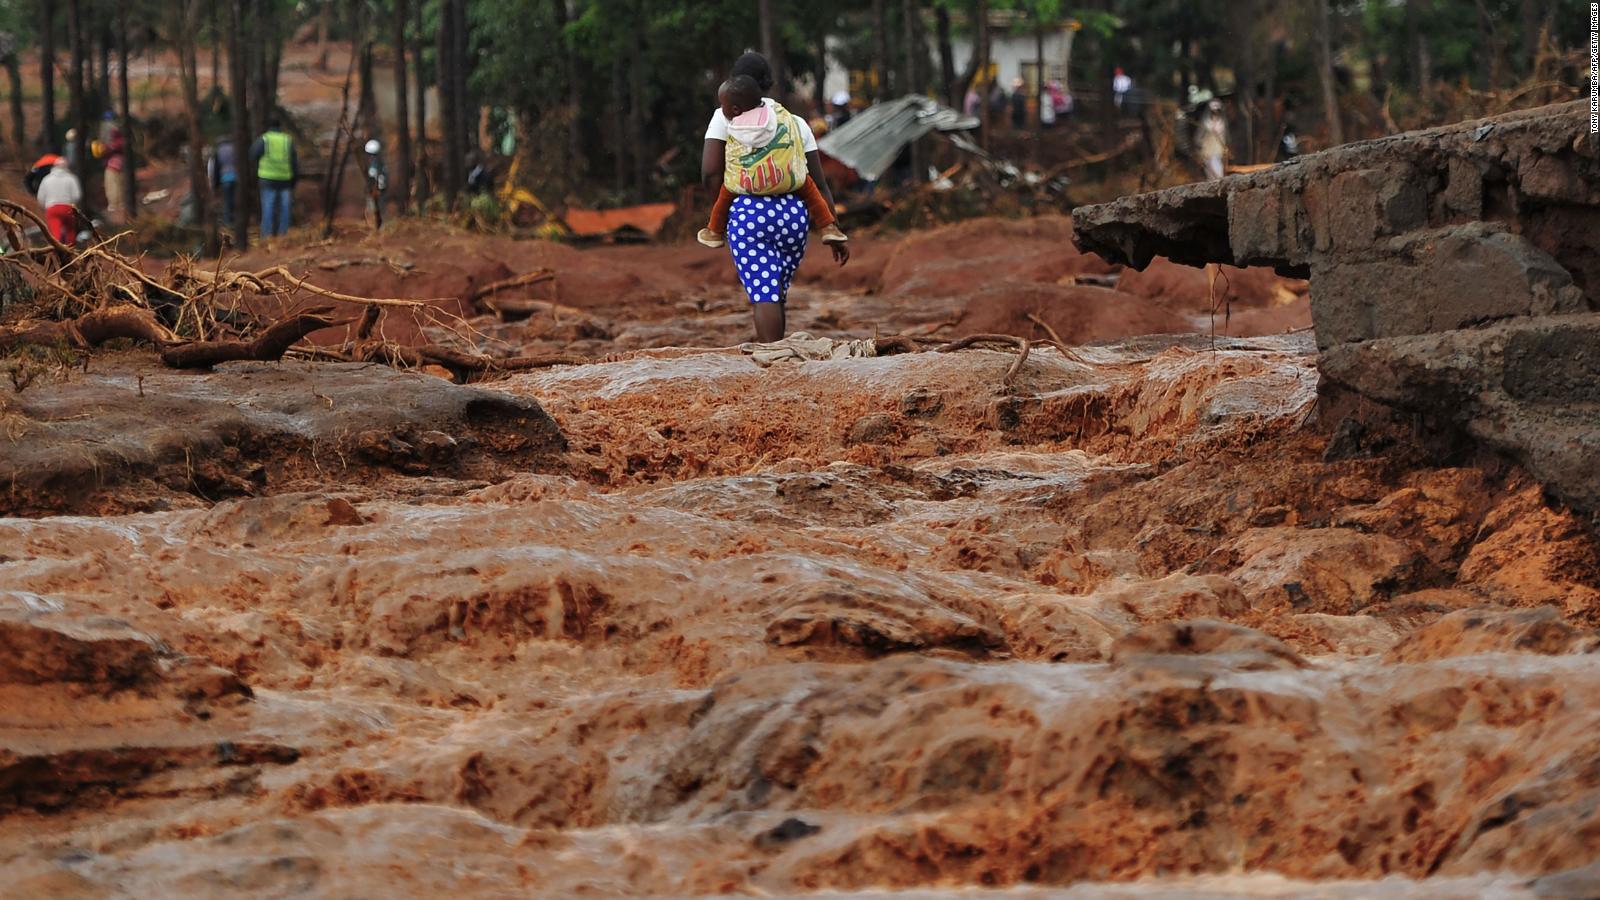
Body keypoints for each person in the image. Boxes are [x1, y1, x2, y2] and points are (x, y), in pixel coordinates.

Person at [701, 51, 848, 342]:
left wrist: (722, 209)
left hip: (748, 213)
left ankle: (773, 357)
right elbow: (818, 183)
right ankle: (780, 353)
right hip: (794, 216)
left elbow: (709, 173)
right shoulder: (796, 122)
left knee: (763, 293)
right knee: (775, 290)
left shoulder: (726, 116)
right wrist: (832, 228)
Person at [698, 75, 847, 250]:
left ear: (736, 109)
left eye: (723, 106)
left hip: (749, 181)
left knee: (726, 191)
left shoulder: (733, 125)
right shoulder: (781, 116)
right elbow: (821, 184)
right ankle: (828, 227)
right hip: (785, 178)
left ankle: (715, 230)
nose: (721, 109)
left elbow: (711, 172)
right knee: (809, 187)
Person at [251, 116, 297, 238]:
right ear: (280, 127)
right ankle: (284, 235)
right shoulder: (287, 140)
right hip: (285, 179)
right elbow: (294, 162)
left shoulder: (264, 139)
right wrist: (294, 179)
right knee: (285, 209)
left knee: (268, 208)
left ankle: (267, 236)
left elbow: (252, 155)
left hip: (267, 179)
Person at [36, 157, 82, 247]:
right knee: (70, 231)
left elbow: (40, 197)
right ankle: (71, 250)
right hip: (68, 207)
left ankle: (57, 251)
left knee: (55, 232)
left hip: (52, 208)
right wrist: (72, 204)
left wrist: (45, 207)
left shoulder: (46, 179)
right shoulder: (71, 178)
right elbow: (77, 195)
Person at [101, 112, 128, 223]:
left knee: (112, 184)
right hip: (119, 163)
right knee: (118, 183)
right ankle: (118, 203)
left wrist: (105, 149)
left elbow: (110, 147)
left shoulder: (112, 134)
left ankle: (115, 204)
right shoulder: (117, 133)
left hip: (113, 164)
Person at [209, 136, 239, 228]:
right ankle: (238, 221)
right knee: (236, 201)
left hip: (225, 179)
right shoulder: (236, 149)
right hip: (237, 178)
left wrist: (215, 185)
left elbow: (215, 169)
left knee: (227, 202)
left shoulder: (218, 151)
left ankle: (228, 222)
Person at [1198, 99, 1228, 181]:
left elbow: (1224, 136)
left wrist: (1225, 147)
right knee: (1209, 170)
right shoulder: (1205, 122)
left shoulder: (1222, 122)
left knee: (1218, 169)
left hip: (1218, 149)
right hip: (1208, 149)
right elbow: (1199, 136)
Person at [363, 138, 388, 229]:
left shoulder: (377, 166)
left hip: (378, 190)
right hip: (378, 190)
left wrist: (375, 189)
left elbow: (376, 178)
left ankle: (378, 228)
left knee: (377, 209)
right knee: (376, 209)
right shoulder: (379, 164)